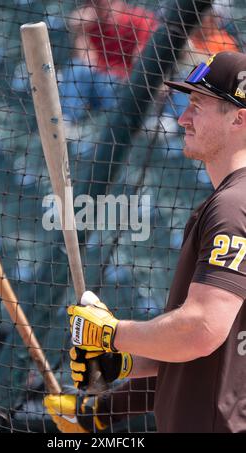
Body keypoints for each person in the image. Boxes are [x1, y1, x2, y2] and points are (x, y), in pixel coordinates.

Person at [45, 51, 246, 433]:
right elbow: (219, 349)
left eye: (198, 107)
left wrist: (112, 334)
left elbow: (202, 328)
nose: (183, 118)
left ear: (239, 117)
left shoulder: (233, 207)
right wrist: (120, 374)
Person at [59, 0, 158, 123]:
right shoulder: (94, 24)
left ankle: (114, 125)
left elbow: (141, 59)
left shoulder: (139, 18)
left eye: (110, 3)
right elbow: (86, 60)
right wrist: (81, 31)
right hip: (98, 81)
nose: (106, 8)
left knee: (110, 87)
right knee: (76, 68)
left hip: (122, 83)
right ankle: (67, 122)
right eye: (97, 5)